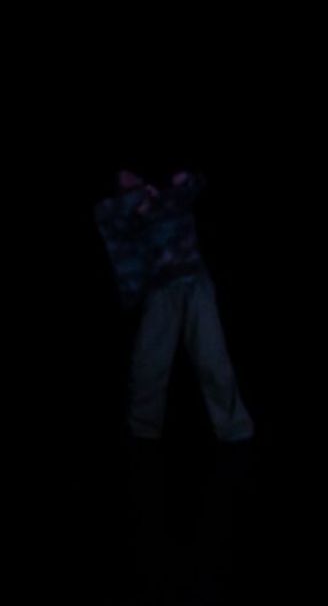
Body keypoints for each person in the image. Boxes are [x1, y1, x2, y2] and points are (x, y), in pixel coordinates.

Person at [94, 169, 254, 443]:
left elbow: (195, 183)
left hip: (194, 283)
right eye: (123, 176)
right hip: (160, 291)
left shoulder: (168, 196)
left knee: (213, 359)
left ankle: (235, 429)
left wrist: (178, 183)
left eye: (132, 174)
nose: (129, 177)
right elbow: (105, 216)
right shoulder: (122, 211)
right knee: (148, 364)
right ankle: (143, 430)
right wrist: (138, 202)